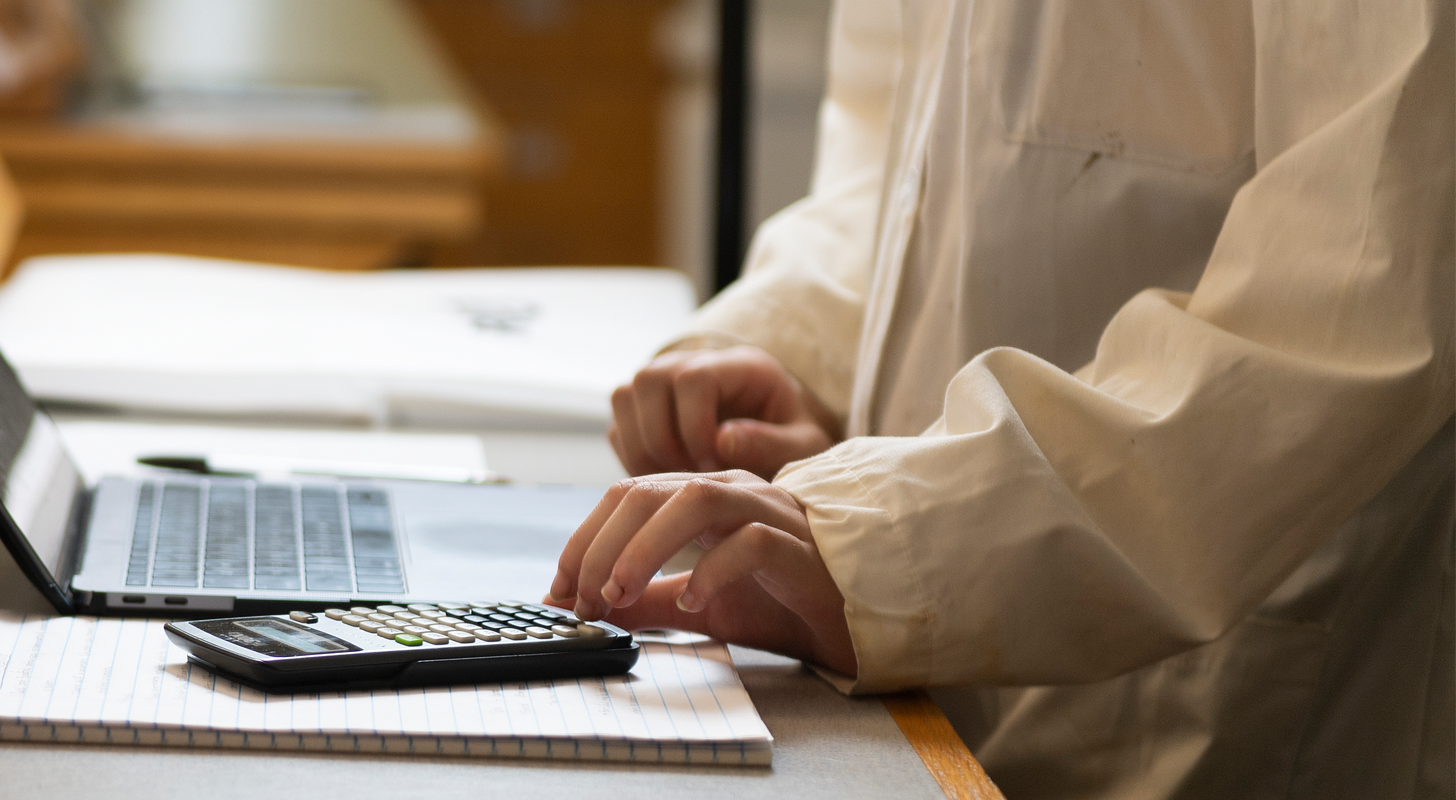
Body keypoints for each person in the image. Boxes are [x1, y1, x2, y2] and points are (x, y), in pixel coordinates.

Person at [542, 1, 1453, 797]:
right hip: (908, 683)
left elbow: (1354, 297)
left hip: (1214, 705)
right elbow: (897, 140)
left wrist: (891, 546)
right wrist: (796, 344)